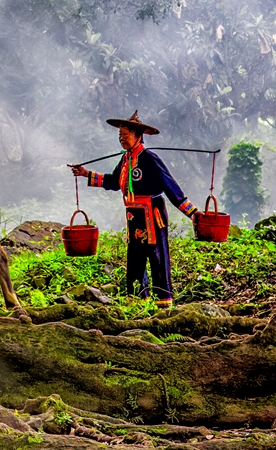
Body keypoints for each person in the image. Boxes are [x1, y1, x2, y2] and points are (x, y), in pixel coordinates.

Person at [70, 110, 198, 308]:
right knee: (135, 257)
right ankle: (138, 301)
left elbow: (170, 186)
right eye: (119, 135)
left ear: (138, 136)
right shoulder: (125, 160)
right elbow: (113, 182)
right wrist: (86, 174)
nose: (121, 138)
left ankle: (163, 303)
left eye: (125, 134)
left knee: (157, 257)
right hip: (133, 216)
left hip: (152, 215)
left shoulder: (150, 159)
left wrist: (192, 213)